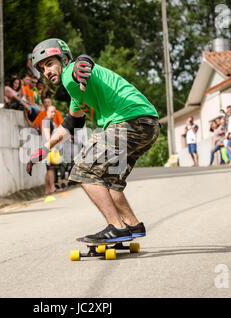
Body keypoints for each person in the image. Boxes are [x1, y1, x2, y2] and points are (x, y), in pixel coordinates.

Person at [27, 38, 159, 243]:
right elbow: (71, 122)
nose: (47, 72)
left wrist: (82, 62)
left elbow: (81, 64)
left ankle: (116, 227)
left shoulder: (72, 74)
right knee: (110, 182)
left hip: (127, 122)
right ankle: (132, 225)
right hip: (147, 125)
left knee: (82, 170)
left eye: (50, 64)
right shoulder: (75, 91)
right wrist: (45, 148)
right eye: (42, 69)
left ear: (64, 59)